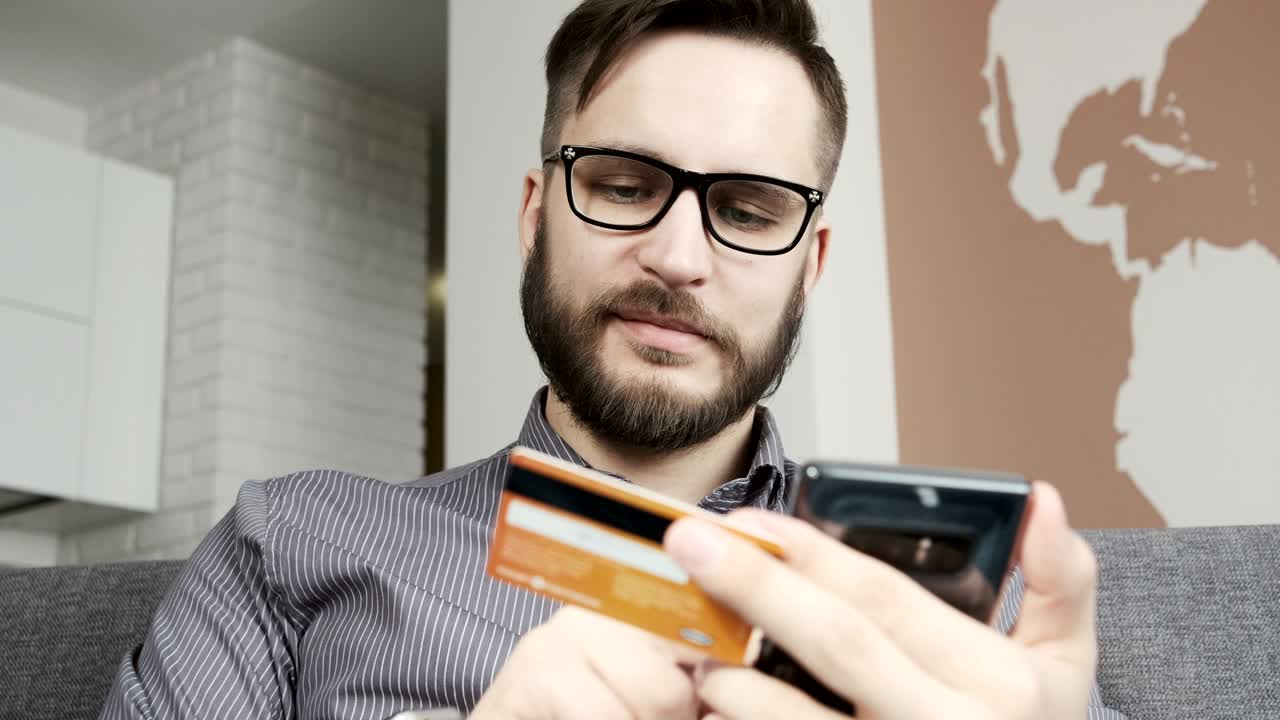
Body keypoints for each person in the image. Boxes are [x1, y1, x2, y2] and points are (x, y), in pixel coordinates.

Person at [101, 1, 1122, 717]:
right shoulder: (290, 545)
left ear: (807, 267)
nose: (678, 259)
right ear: (534, 214)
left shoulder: (966, 605)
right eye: (627, 185)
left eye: (745, 210)